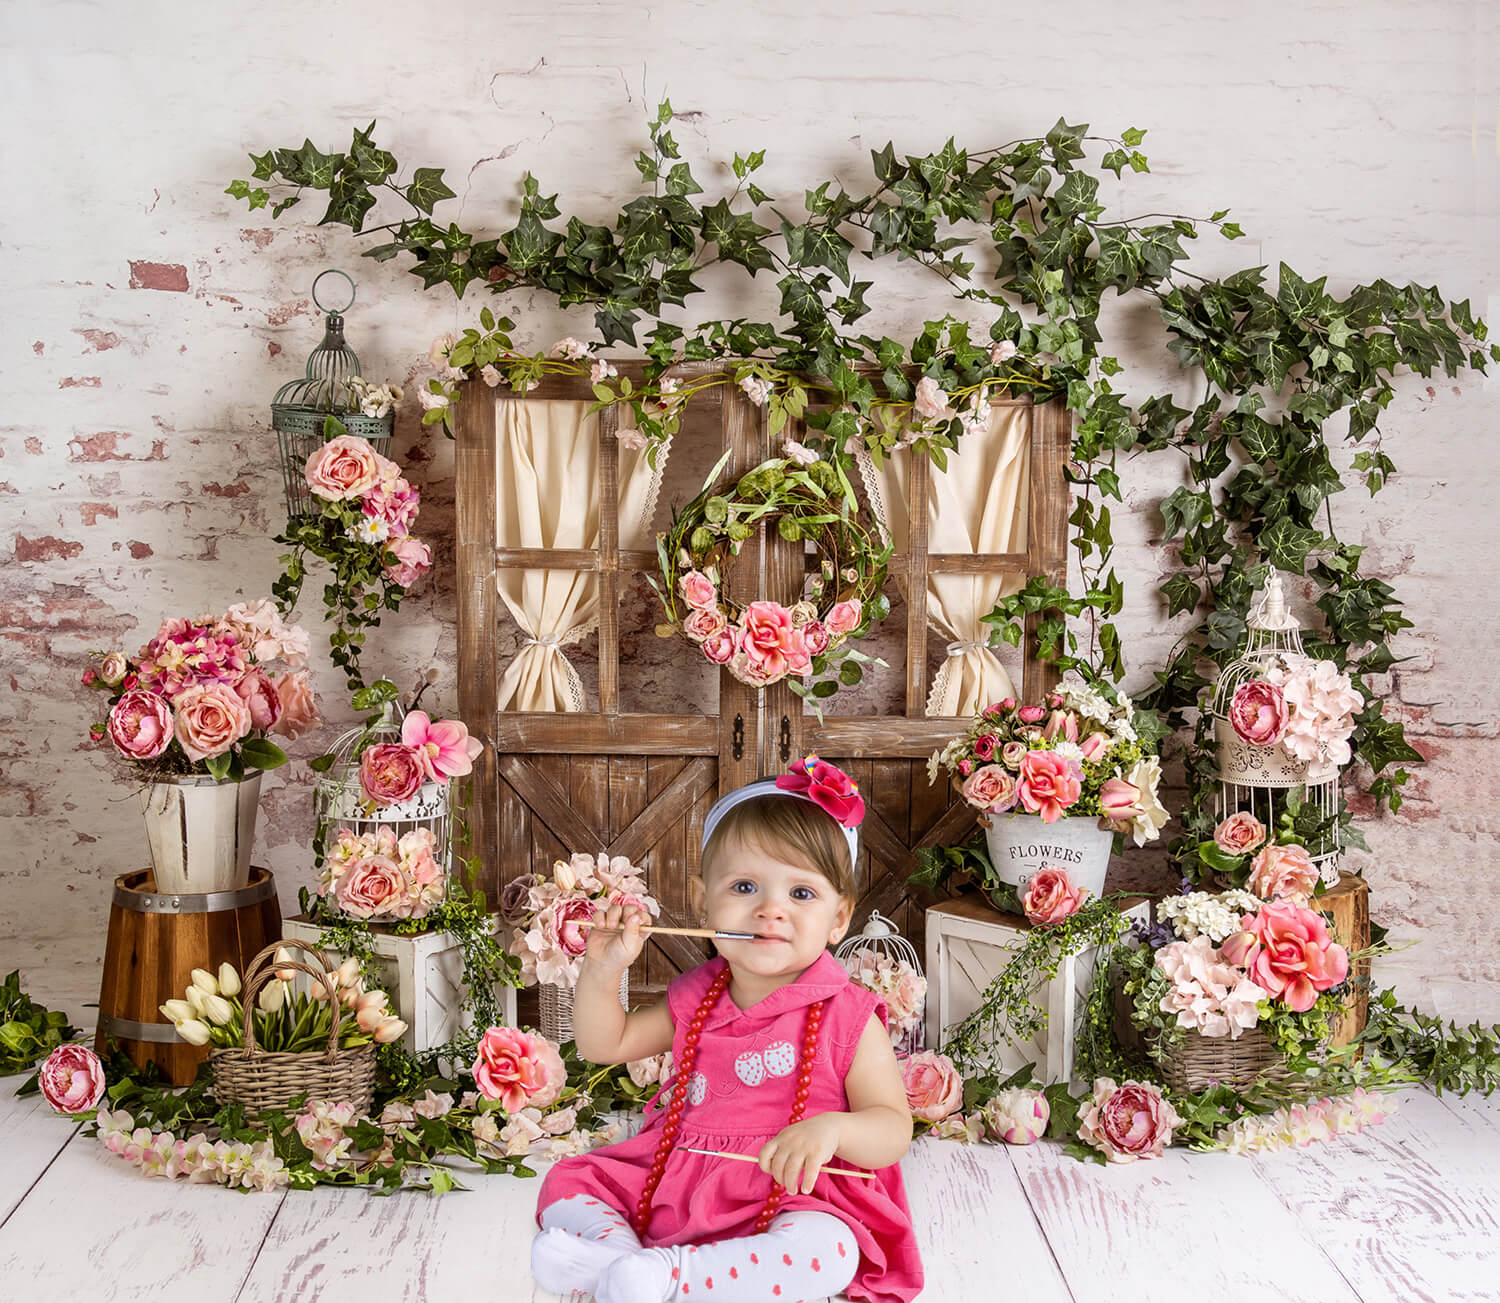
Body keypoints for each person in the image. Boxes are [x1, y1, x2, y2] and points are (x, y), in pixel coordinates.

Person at [531, 756, 923, 1303]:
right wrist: (602, 968)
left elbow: (893, 1129)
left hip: (789, 1191)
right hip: (678, 1174)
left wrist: (831, 1131)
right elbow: (604, 1045)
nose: (770, 910)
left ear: (839, 920)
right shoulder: (698, 998)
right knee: (567, 1181)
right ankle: (624, 1264)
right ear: (702, 901)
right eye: (744, 887)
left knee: (830, 1250)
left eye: (801, 894)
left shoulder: (848, 1016)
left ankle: (668, 1277)